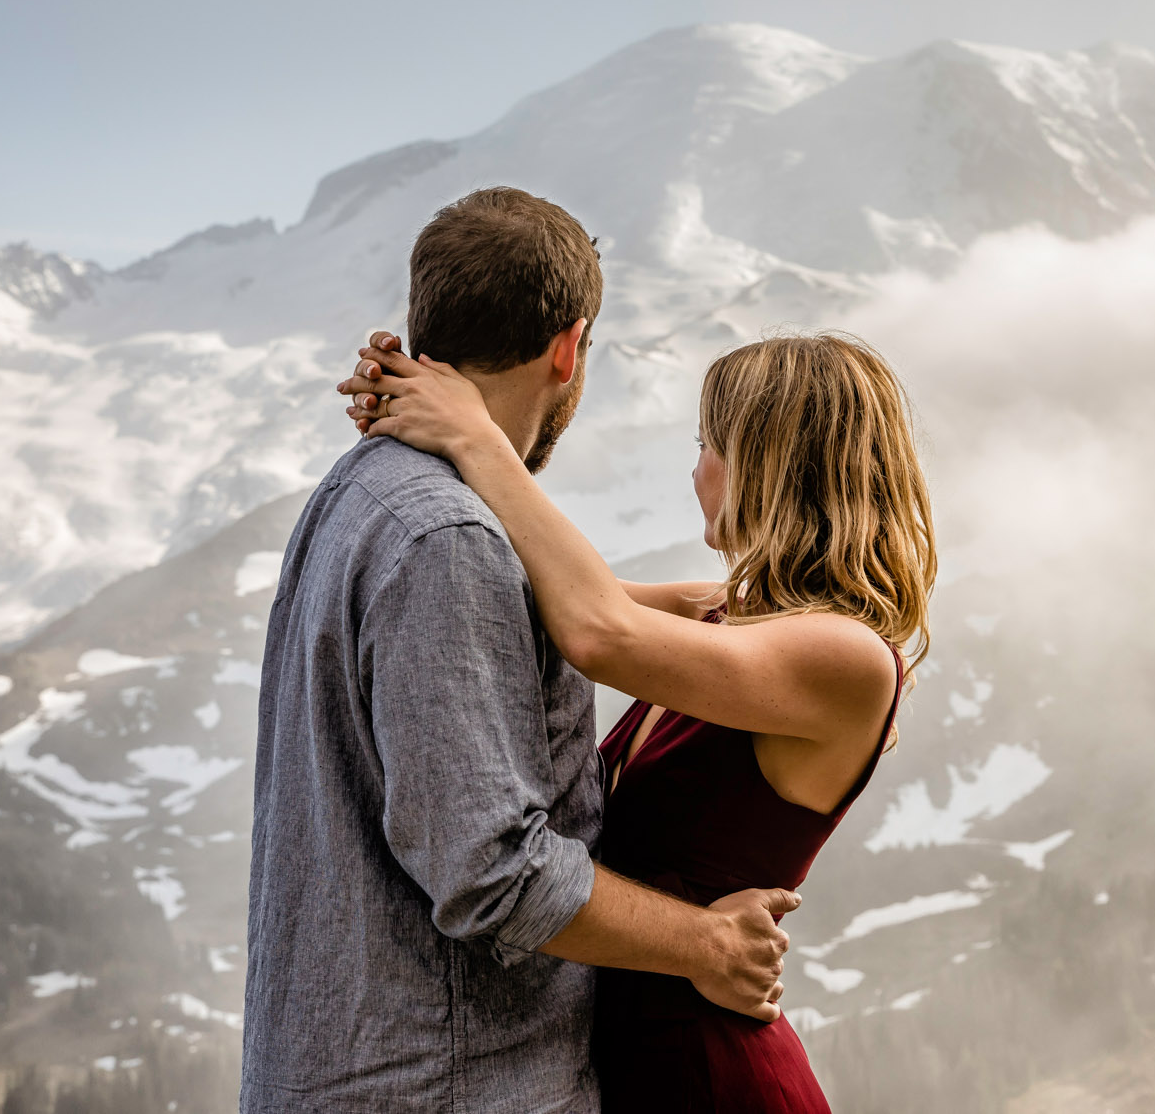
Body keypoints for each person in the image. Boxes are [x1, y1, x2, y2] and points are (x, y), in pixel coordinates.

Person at [242, 187, 801, 1114]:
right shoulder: (448, 541)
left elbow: (539, 604)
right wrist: (709, 943)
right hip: (453, 1087)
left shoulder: (361, 494)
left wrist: (721, 606)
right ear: (568, 347)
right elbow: (491, 871)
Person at [339, 310, 937, 1113]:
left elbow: (597, 629)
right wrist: (416, 416)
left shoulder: (848, 660)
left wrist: (475, 435)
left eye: (705, 445)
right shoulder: (731, 614)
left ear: (768, 463)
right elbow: (534, 585)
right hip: (634, 1058)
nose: (696, 472)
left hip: (708, 1073)